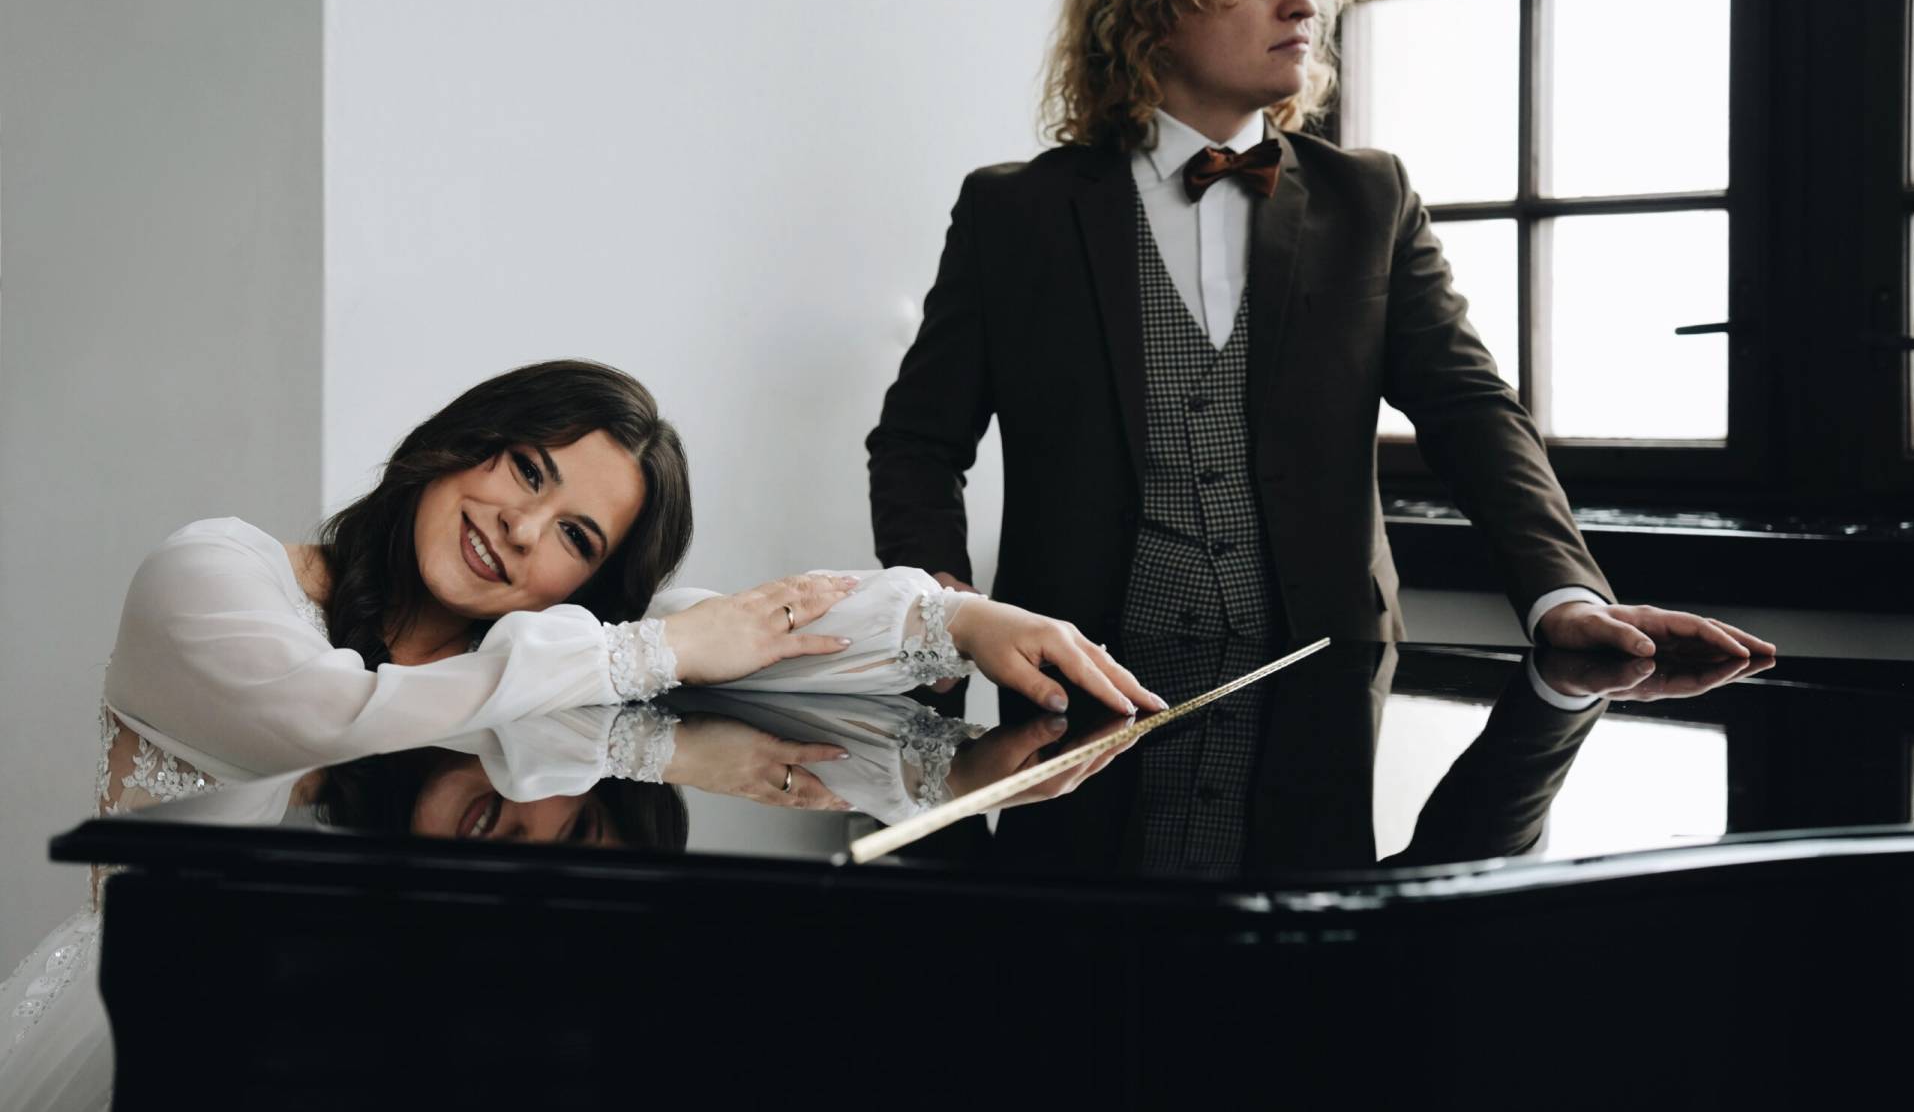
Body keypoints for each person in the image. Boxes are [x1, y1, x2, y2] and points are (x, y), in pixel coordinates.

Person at [3, 358, 1163, 1111]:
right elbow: (328, 712)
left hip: (361, 1044)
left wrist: (969, 619)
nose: (519, 528)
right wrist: (658, 648)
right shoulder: (211, 574)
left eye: (574, 537)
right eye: (525, 469)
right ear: (457, 439)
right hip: (160, 1041)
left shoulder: (535, 648)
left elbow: (767, 626)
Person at [867, 0, 1773, 666]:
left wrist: (1565, 594)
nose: (1302, 3)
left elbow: (1470, 411)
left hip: (1326, 679)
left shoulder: (1370, 198)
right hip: (1075, 693)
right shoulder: (1014, 212)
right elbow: (918, 443)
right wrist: (947, 611)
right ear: (1155, 7)